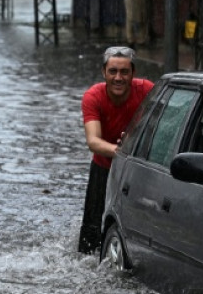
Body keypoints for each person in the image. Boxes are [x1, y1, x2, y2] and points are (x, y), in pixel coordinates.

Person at [78, 46, 154, 254]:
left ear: (133, 74)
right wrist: (123, 151)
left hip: (138, 172)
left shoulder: (147, 90)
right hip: (104, 169)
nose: (118, 78)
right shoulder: (93, 96)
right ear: (104, 73)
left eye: (124, 72)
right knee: (90, 240)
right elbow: (93, 141)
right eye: (113, 71)